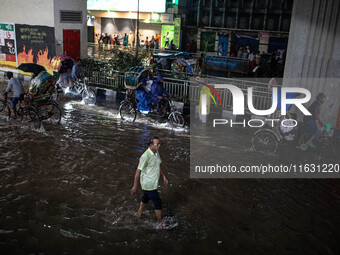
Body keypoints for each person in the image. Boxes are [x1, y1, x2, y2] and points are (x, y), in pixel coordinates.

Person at [131, 136, 168, 225]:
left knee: (146, 198)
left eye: (159, 143)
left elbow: (158, 164)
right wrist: (135, 186)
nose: (159, 145)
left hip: (153, 182)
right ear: (151, 145)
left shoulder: (156, 152)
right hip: (148, 183)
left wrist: (163, 176)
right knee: (158, 202)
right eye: (157, 144)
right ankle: (160, 223)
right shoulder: (145, 156)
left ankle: (139, 213)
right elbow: (137, 172)